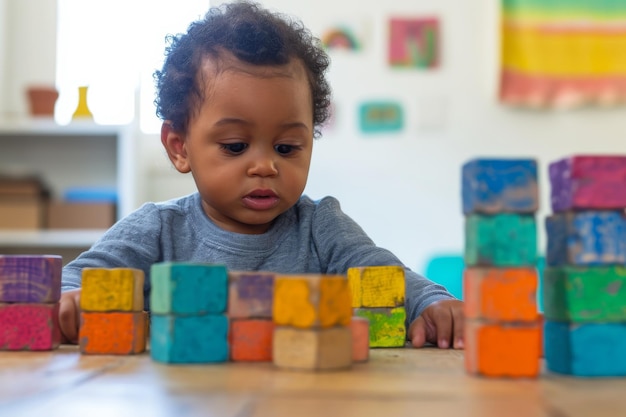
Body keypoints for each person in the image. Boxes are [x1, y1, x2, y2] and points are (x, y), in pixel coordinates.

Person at [59, 0, 464, 349]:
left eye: (286, 148)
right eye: (235, 146)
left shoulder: (321, 226)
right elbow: (74, 279)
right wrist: (74, 297)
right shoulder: (158, 229)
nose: (266, 166)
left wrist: (430, 301)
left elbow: (380, 273)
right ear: (179, 148)